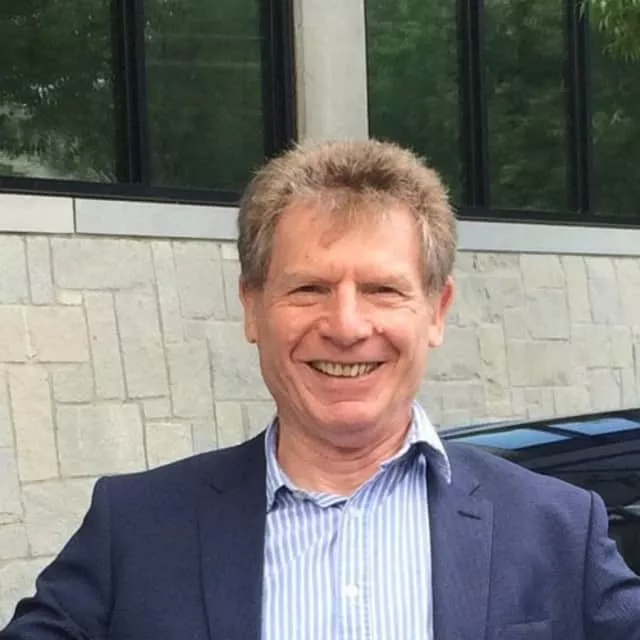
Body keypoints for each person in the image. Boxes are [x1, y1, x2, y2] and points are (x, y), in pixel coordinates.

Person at [1, 139, 639, 640]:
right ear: (252, 307)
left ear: (437, 311)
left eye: (383, 290)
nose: (346, 326)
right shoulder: (135, 529)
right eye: (309, 288)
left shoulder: (557, 529)